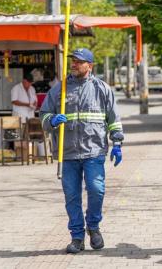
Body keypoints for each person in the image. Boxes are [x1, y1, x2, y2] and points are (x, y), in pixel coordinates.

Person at [40, 48, 124, 254]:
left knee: (97, 190)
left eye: (79, 61)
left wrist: (118, 143)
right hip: (67, 153)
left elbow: (113, 119)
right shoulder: (60, 89)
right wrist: (51, 119)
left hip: (94, 151)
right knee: (72, 196)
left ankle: (93, 227)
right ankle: (77, 237)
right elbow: (43, 114)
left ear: (90, 65)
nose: (74, 64)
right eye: (73, 61)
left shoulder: (102, 88)